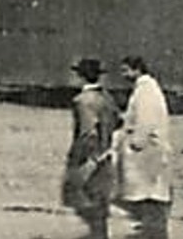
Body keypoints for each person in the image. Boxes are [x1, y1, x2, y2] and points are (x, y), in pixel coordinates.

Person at [114, 55, 172, 238]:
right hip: (149, 149)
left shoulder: (146, 91)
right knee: (147, 190)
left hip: (148, 151)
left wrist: (135, 143)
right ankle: (148, 228)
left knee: (148, 192)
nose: (123, 75)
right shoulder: (144, 89)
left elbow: (146, 120)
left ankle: (152, 231)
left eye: (125, 71)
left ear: (137, 69)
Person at [63, 58, 122, 238]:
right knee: (100, 197)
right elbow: (119, 120)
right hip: (106, 153)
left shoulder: (82, 100)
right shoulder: (107, 97)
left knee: (81, 194)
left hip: (90, 155)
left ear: (80, 77)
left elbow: (87, 132)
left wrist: (83, 158)